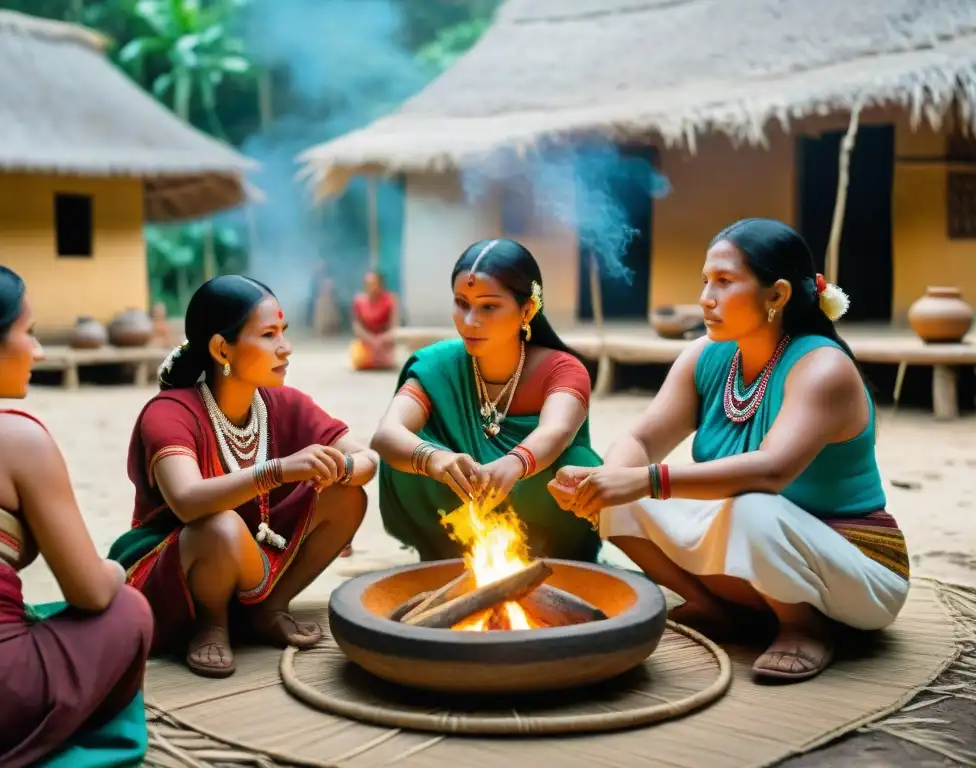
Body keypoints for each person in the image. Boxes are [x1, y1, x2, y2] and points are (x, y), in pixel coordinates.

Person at [551, 219, 910, 683]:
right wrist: (607, 483)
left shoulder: (823, 367)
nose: (705, 297)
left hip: (857, 567)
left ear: (776, 296)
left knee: (750, 505)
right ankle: (714, 608)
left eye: (723, 282)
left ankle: (803, 626)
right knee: (609, 490)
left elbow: (771, 471)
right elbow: (640, 440)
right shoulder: (708, 355)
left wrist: (644, 480)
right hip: (759, 540)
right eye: (705, 281)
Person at [108, 275, 375, 679]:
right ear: (221, 349)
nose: (285, 347)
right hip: (169, 569)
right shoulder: (169, 412)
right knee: (220, 527)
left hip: (251, 557)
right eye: (269, 335)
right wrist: (278, 471)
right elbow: (186, 499)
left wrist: (342, 470)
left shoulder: (282, 403)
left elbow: (366, 457)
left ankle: (269, 610)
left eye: (283, 332)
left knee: (348, 496)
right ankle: (211, 624)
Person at [0, 255, 153, 767]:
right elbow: (87, 592)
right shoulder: (13, 436)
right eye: (30, 332)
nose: (39, 351)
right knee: (128, 611)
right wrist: (114, 568)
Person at [371, 238, 602, 562]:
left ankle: (552, 559)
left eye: (488, 306)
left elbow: (557, 432)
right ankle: (447, 554)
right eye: (461, 303)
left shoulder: (562, 369)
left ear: (527, 310)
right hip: (459, 509)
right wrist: (435, 460)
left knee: (579, 463)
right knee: (409, 449)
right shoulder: (439, 365)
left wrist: (514, 464)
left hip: (537, 508)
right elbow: (386, 434)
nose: (469, 320)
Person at [349, 269, 398, 372]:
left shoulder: (390, 299)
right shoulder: (359, 300)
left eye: (374, 283)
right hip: (366, 341)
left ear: (381, 284)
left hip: (384, 341)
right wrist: (371, 340)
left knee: (387, 362)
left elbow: (394, 327)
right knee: (358, 360)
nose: (371, 287)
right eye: (368, 284)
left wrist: (381, 340)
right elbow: (357, 326)